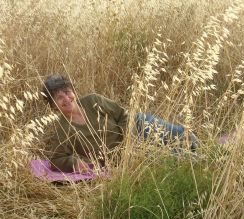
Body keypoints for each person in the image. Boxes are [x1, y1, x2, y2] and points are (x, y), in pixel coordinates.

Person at [42, 74, 198, 173]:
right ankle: (202, 159)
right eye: (59, 97)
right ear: (53, 105)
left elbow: (124, 115)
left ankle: (204, 145)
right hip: (123, 156)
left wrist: (131, 140)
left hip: (137, 127)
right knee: (175, 159)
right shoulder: (63, 129)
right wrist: (73, 162)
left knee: (182, 137)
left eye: (67, 92)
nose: (66, 98)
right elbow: (55, 160)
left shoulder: (93, 100)